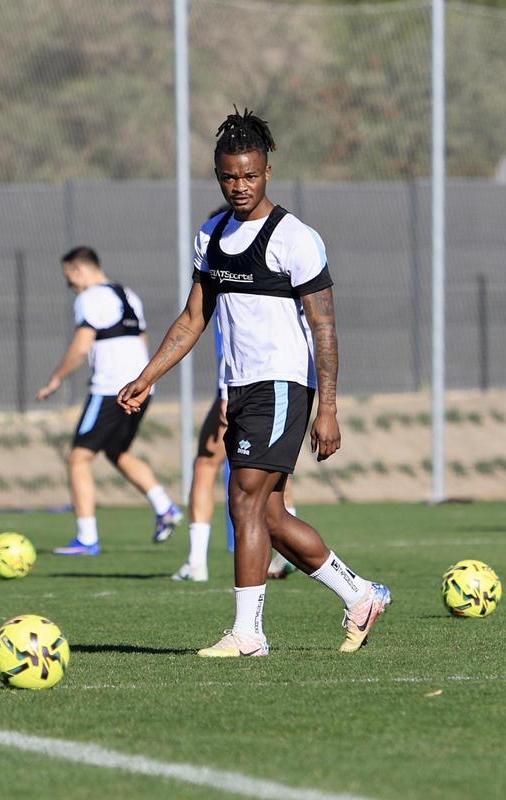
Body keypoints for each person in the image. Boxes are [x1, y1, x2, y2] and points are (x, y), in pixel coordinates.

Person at [118, 107, 390, 656]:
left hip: (284, 386)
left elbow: (325, 327)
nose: (239, 186)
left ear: (267, 171)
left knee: (243, 499)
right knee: (269, 513)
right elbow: (194, 318)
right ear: (218, 175)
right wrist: (147, 377)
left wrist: (328, 407)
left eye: (249, 175)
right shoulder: (211, 235)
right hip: (240, 390)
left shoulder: (296, 239)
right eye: (229, 176)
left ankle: (249, 634)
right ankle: (359, 594)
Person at [36, 247, 182, 556]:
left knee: (78, 458)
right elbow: (141, 341)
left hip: (110, 388)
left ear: (79, 271)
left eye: (68, 278)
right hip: (141, 387)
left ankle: (87, 538)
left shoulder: (89, 298)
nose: (70, 285)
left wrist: (56, 378)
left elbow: (80, 347)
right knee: (116, 451)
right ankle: (165, 507)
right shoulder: (128, 294)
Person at [171, 292, 300, 583]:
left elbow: (238, 334)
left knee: (207, 464)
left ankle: (196, 562)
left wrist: (225, 390)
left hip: (246, 384)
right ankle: (286, 552)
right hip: (288, 383)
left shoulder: (236, 265)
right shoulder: (285, 278)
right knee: (275, 473)